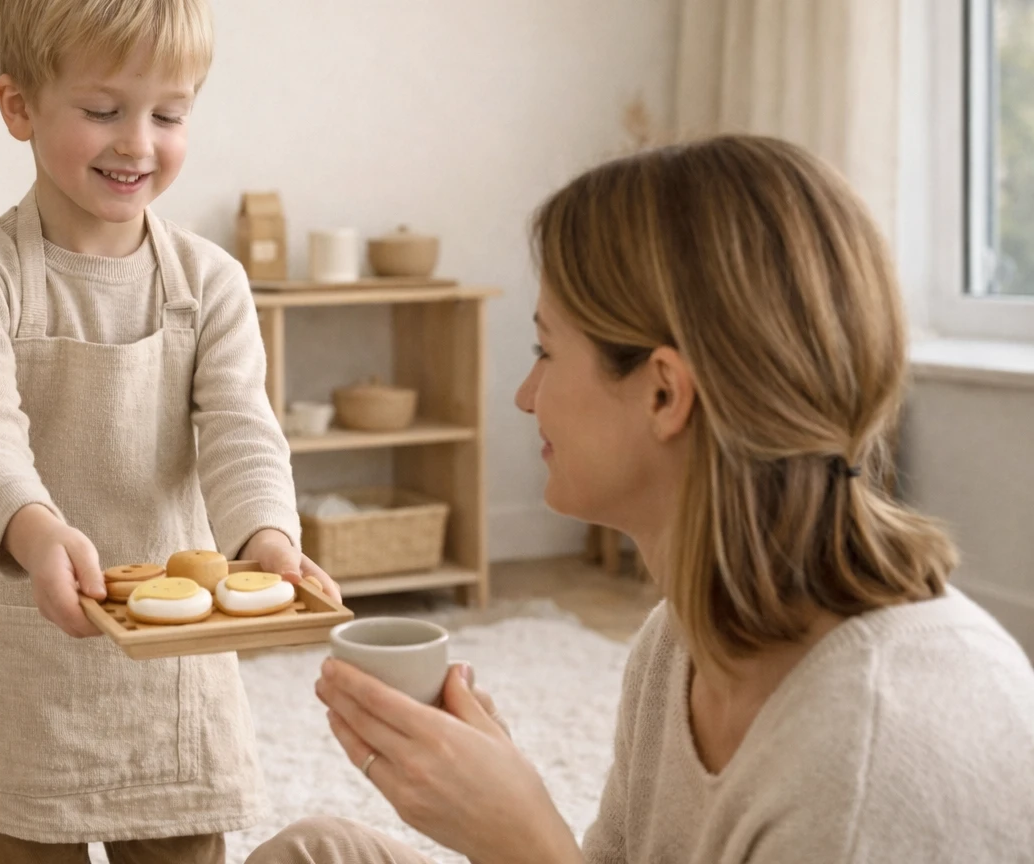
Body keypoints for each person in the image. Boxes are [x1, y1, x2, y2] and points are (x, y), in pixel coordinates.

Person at [246, 135, 1034, 864]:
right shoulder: (679, 644)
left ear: (664, 393)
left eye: (545, 351)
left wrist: (522, 838)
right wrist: (493, 787)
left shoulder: (869, 760)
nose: (525, 396)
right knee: (317, 852)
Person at [0, 1, 340, 861]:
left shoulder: (210, 280)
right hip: (17, 654)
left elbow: (242, 428)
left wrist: (269, 537)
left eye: (170, 114)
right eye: (104, 111)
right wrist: (35, 531)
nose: (139, 142)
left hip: (167, 667)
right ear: (18, 105)